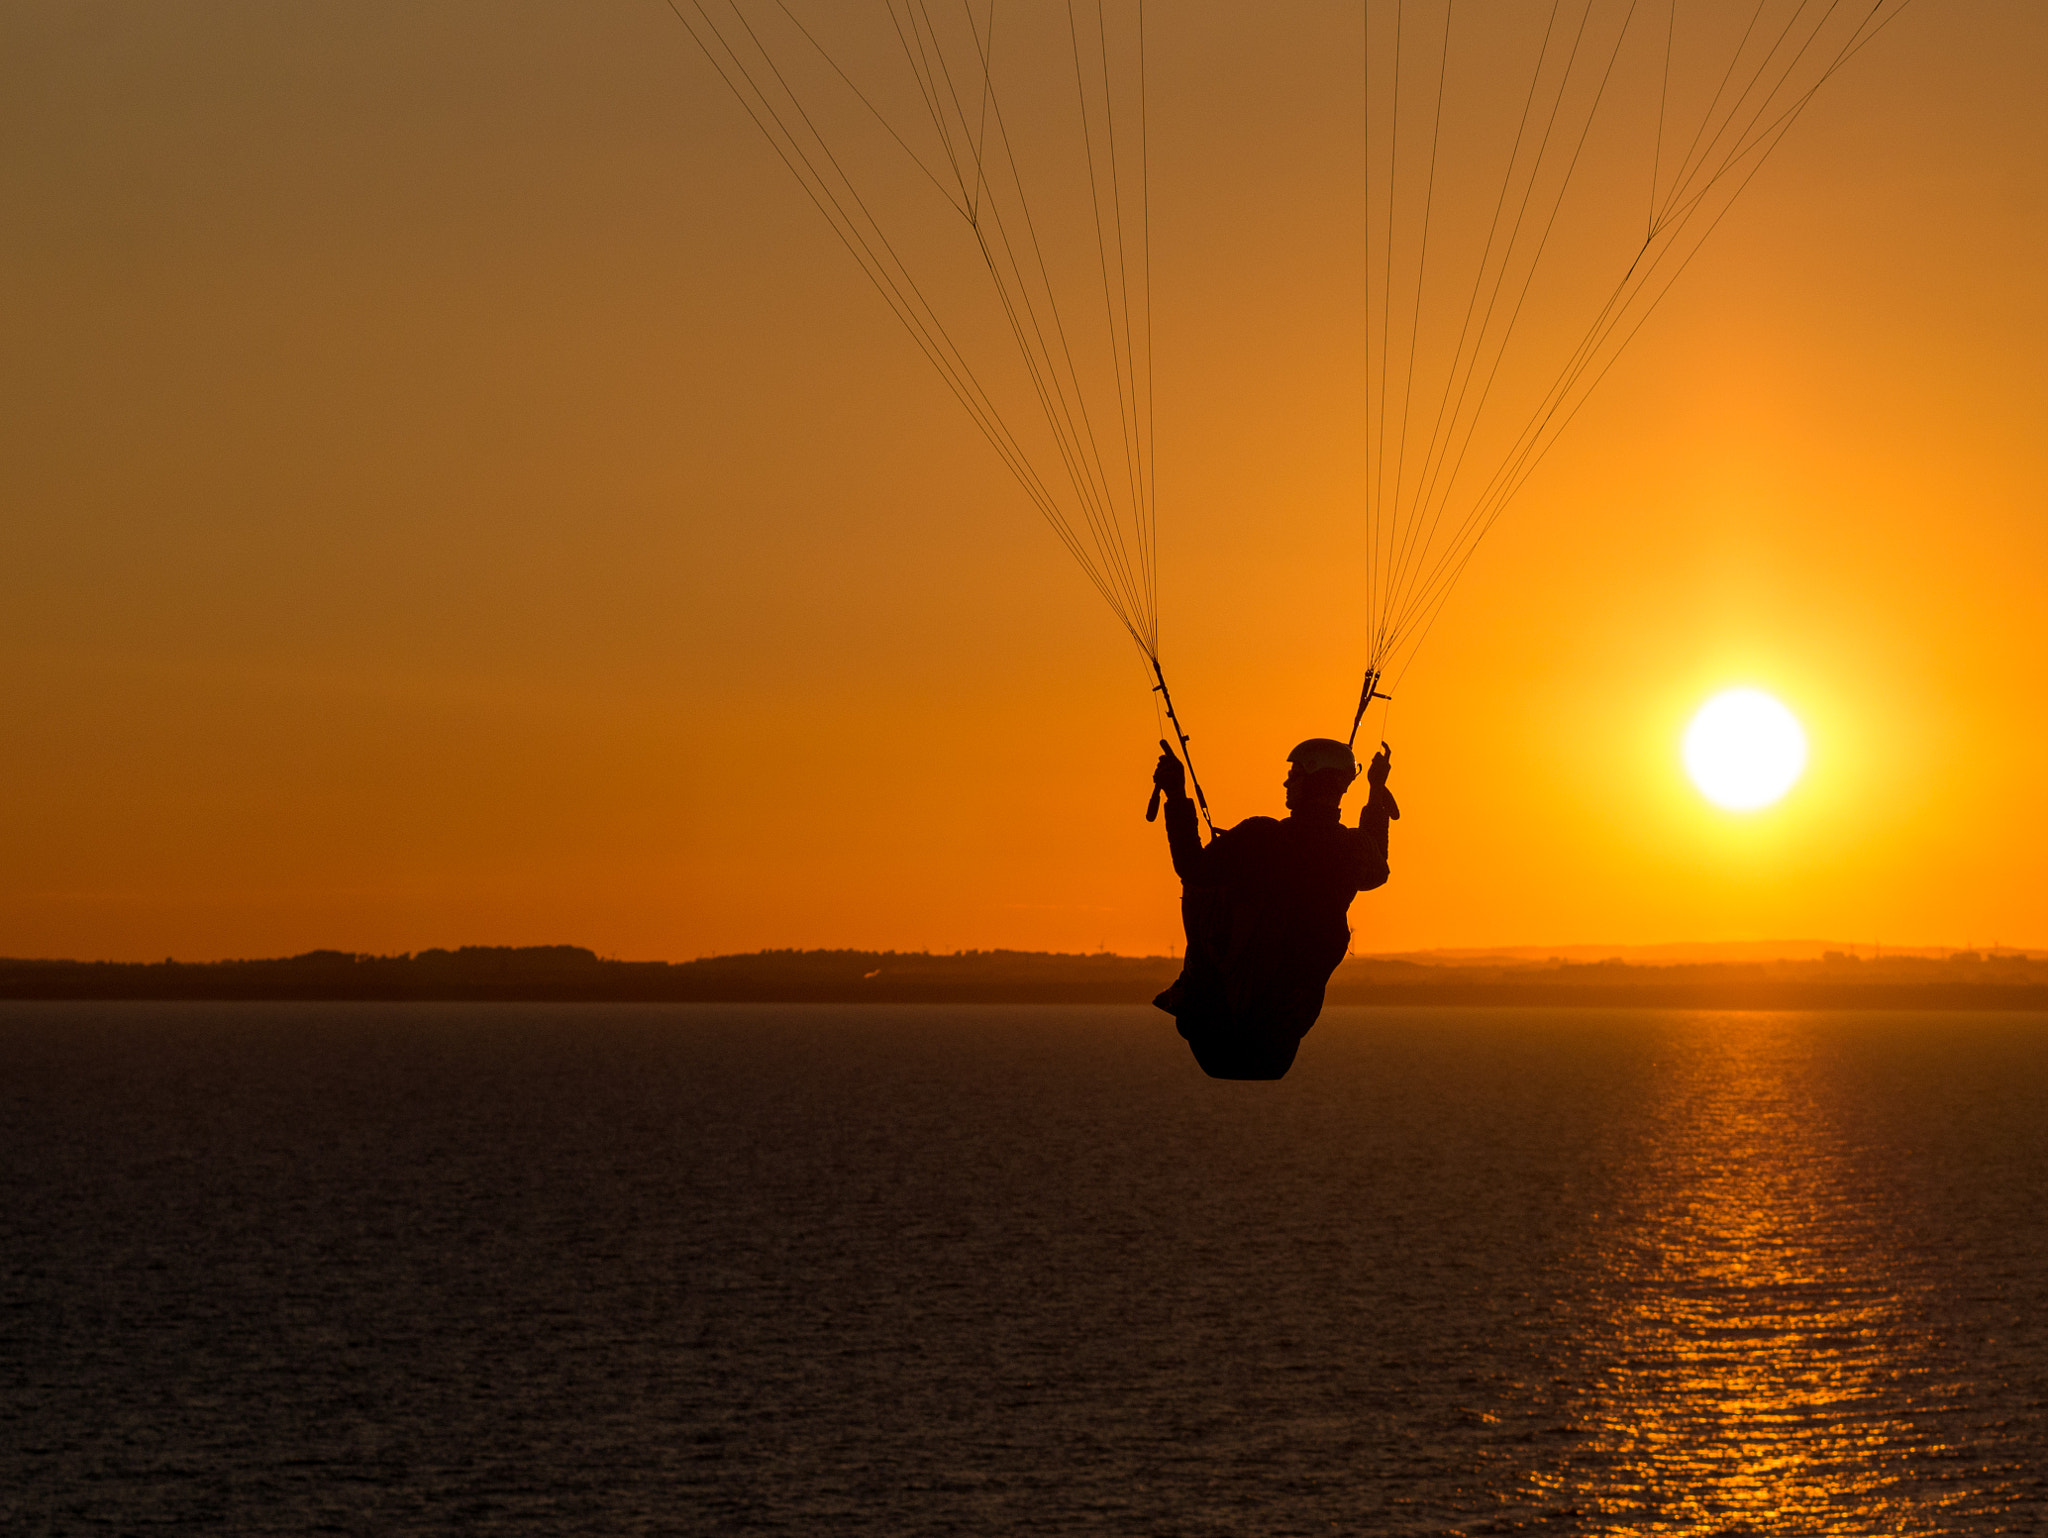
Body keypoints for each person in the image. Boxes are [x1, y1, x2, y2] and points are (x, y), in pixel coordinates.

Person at [1150, 736, 1398, 1080]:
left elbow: (1193, 867)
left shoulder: (1261, 837)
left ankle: (1192, 986)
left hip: (1218, 1033)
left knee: (1204, 886)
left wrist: (1176, 794)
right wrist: (1375, 791)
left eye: (1294, 774)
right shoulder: (1351, 850)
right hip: (1280, 1042)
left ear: (1312, 781)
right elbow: (1377, 864)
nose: (1286, 781)